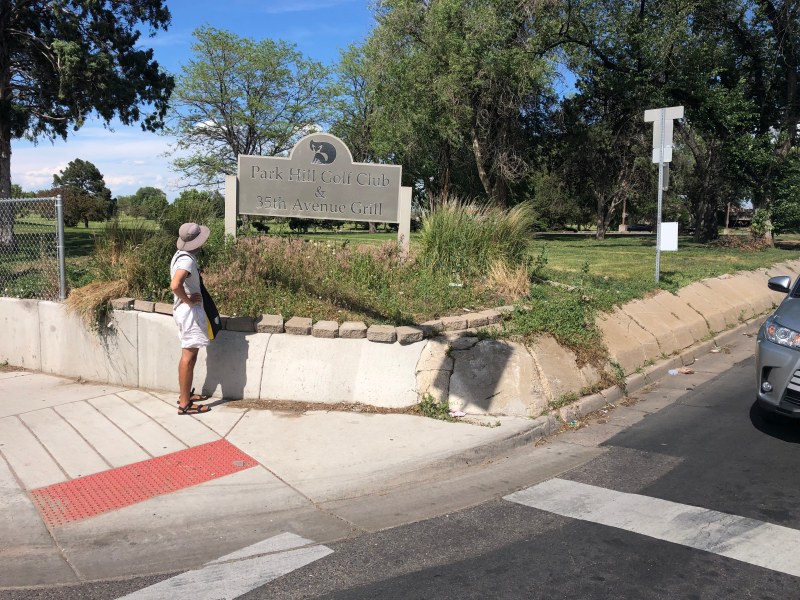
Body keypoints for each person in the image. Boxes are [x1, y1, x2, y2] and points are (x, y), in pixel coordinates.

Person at [170, 222, 212, 415]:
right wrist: (188, 300)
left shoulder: (179, 255)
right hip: (189, 312)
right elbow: (175, 284)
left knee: (189, 355)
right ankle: (185, 403)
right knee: (188, 357)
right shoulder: (186, 261)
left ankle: (185, 394)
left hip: (185, 311)